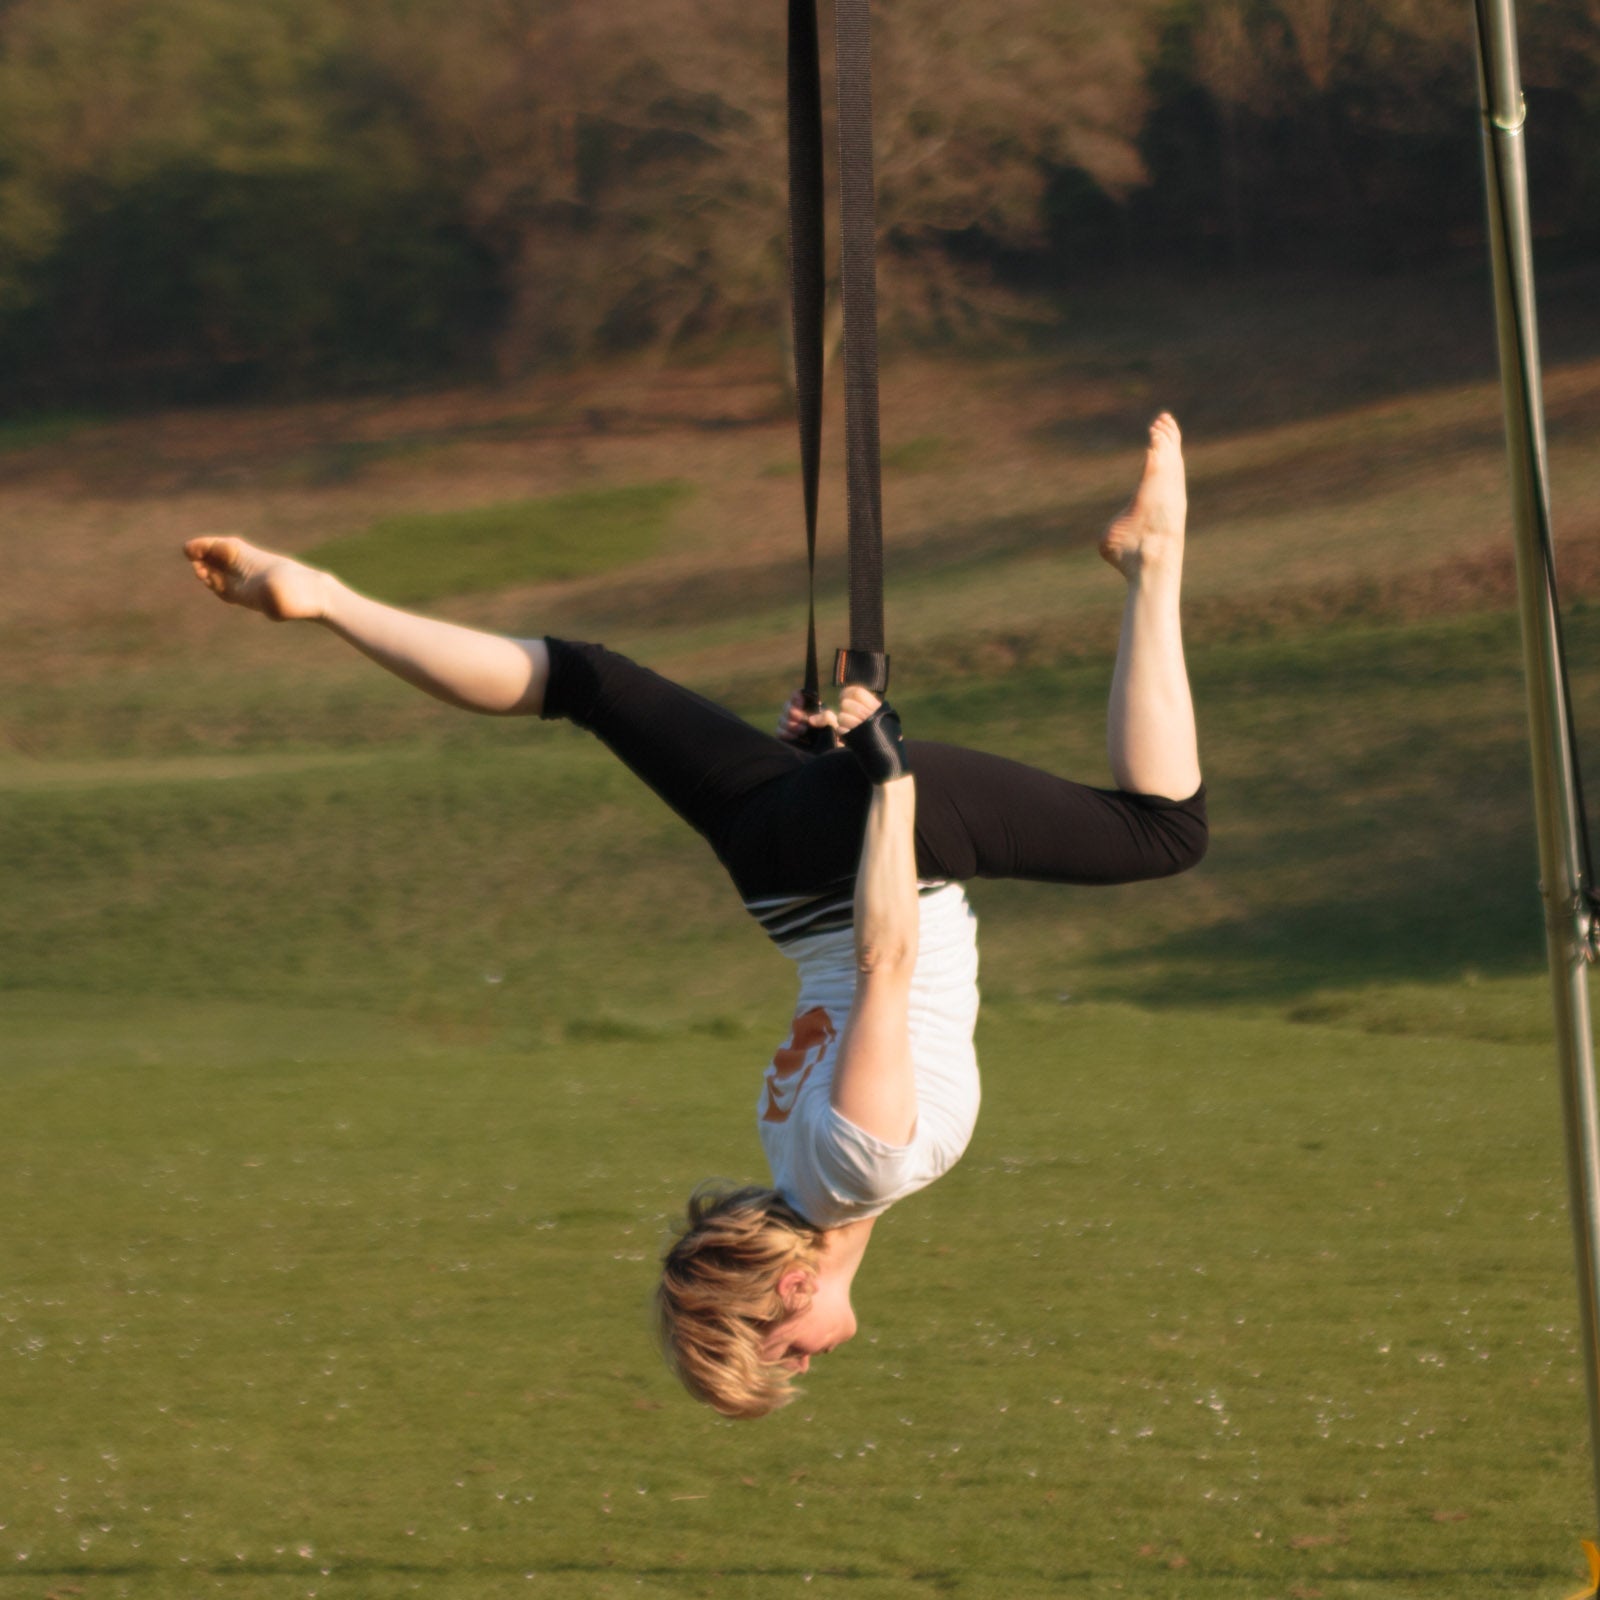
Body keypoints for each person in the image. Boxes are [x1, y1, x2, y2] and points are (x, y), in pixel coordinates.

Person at [183, 412, 1206, 1420]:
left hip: (876, 857)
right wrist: (811, 773)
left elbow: (886, 960)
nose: (804, 1363)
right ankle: (327, 601)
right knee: (586, 682)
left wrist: (886, 779)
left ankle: (1151, 559)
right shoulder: (793, 1169)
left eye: (786, 1355)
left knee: (1165, 834)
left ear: (790, 1293)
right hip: (768, 863)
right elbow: (851, 1177)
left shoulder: (860, 1163)